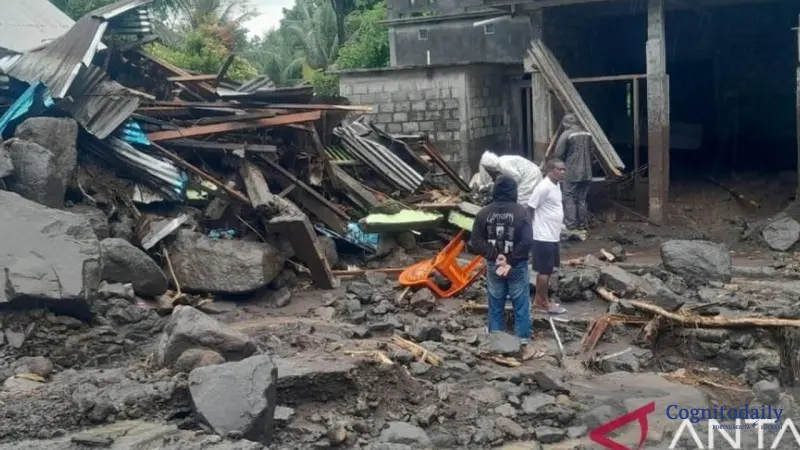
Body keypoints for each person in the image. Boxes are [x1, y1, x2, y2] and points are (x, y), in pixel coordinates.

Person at [470, 176, 543, 360]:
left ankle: (497, 346)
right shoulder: (521, 212)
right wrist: (509, 260)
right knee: (521, 305)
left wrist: (495, 256)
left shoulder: (483, 213)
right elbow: (527, 241)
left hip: (494, 266)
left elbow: (476, 241)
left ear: (494, 191)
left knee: (495, 305)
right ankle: (522, 347)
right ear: (514, 191)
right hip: (516, 266)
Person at [527, 159, 568, 315]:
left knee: (548, 270)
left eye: (564, 169)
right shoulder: (543, 187)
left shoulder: (556, 185)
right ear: (551, 170)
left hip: (552, 235)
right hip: (543, 236)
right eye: (559, 169)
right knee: (544, 271)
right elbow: (530, 208)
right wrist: (530, 231)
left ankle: (540, 300)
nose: (563, 172)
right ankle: (542, 302)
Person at [553, 113, 594, 241]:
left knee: (569, 197)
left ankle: (571, 226)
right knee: (581, 198)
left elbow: (558, 153)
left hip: (572, 172)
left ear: (566, 123)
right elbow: (592, 152)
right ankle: (582, 225)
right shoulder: (587, 134)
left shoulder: (567, 134)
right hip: (587, 172)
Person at [478, 151, 543, 207]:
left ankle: (523, 214)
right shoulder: (502, 160)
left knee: (521, 200)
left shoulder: (502, 166)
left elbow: (516, 178)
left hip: (530, 176)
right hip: (532, 172)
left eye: (487, 169)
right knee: (529, 197)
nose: (488, 171)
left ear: (490, 167)